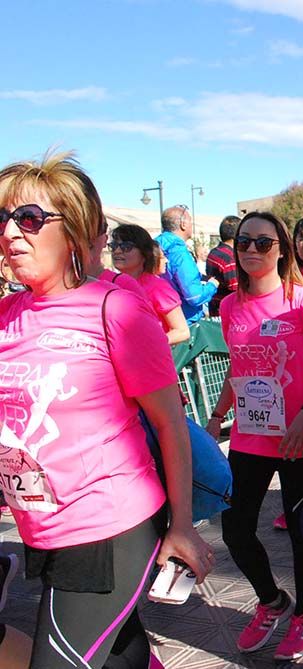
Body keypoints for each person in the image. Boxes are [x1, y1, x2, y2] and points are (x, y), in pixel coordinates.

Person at [0, 151, 213, 668]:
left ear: (73, 231)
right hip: (41, 524)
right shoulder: (8, 314)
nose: (11, 233)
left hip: (108, 526)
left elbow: (169, 423)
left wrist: (181, 526)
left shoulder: (114, 307)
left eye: (29, 219)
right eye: (3, 219)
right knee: (120, 650)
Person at [205, 212, 303, 661]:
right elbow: (237, 369)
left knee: (300, 529)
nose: (251, 251)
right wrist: (217, 414)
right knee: (236, 530)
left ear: (282, 248)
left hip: (302, 436)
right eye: (245, 242)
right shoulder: (228, 305)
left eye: (263, 242)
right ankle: (272, 601)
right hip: (249, 436)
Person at [110, 223, 191, 345]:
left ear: (144, 253)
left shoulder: (158, 288)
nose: (117, 251)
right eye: (113, 246)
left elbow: (182, 331)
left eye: (126, 247)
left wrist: (149, 345)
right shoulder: (110, 284)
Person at [156, 205, 219, 324]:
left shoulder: (154, 247)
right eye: (191, 222)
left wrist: (200, 277)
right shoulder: (179, 253)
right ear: (183, 224)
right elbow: (194, 296)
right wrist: (212, 285)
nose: (192, 225)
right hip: (185, 323)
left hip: (161, 320)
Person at [206, 215, 240, 317]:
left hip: (215, 308)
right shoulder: (230, 259)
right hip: (229, 313)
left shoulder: (213, 253)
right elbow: (237, 290)